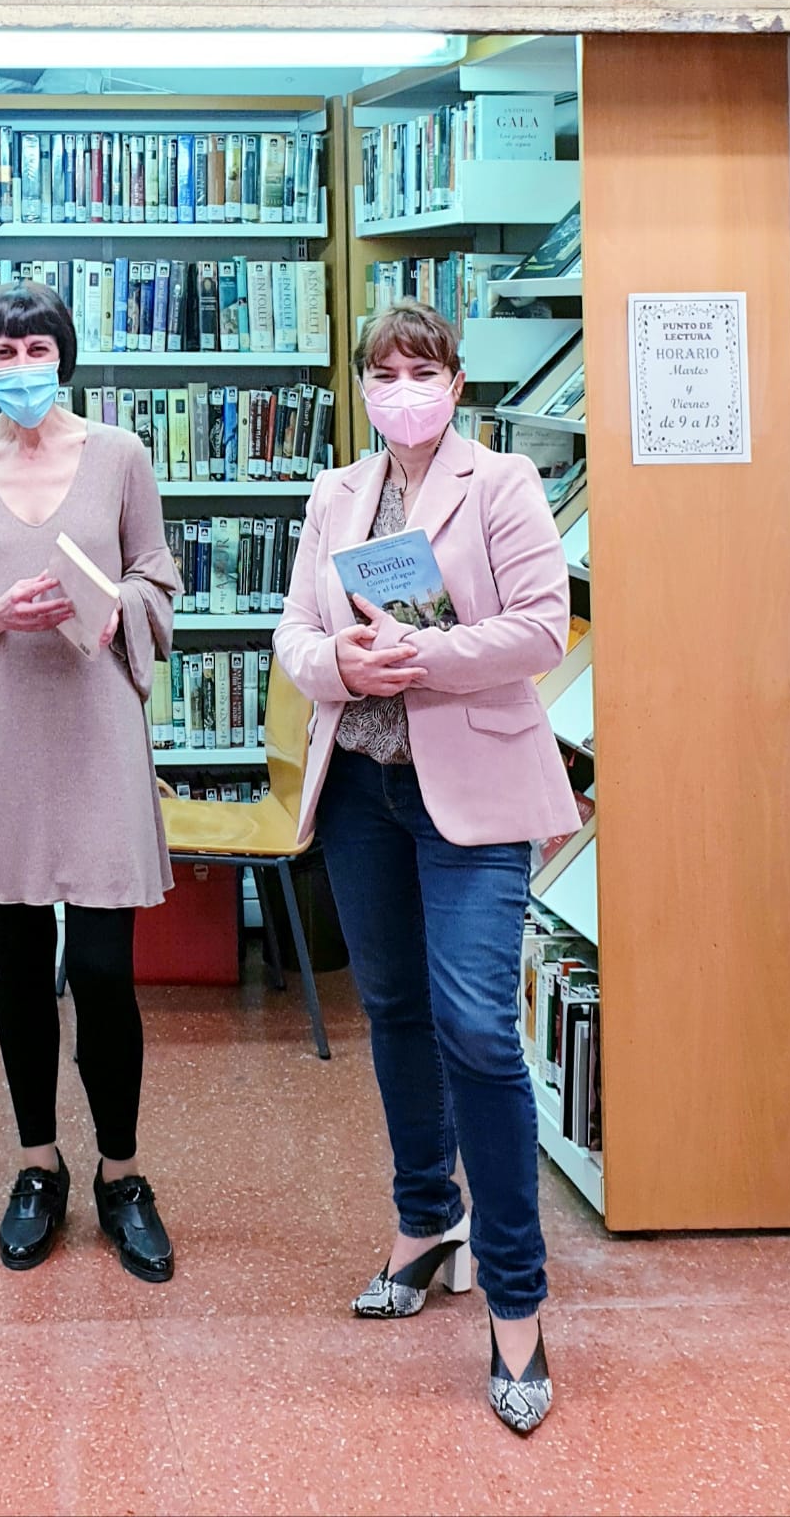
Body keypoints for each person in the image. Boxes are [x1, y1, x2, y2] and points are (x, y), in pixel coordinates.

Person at [274, 298, 578, 1434]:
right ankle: (421, 1223)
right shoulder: (334, 494)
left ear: (454, 382)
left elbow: (543, 627)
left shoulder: (497, 484)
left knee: (478, 1028)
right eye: (384, 370)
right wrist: (344, 661)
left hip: (472, 794)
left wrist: (427, 653)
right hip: (358, 786)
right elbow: (293, 635)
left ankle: (515, 1298)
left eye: (423, 368)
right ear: (362, 386)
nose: (403, 386)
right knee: (393, 1009)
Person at [0, 282, 181, 1282]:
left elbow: (159, 575)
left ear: (65, 352)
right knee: (18, 960)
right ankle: (36, 1164)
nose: (21, 363)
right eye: (3, 348)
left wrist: (117, 609)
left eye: (38, 345)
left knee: (102, 965)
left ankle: (123, 1171)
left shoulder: (120, 457)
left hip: (94, 723)